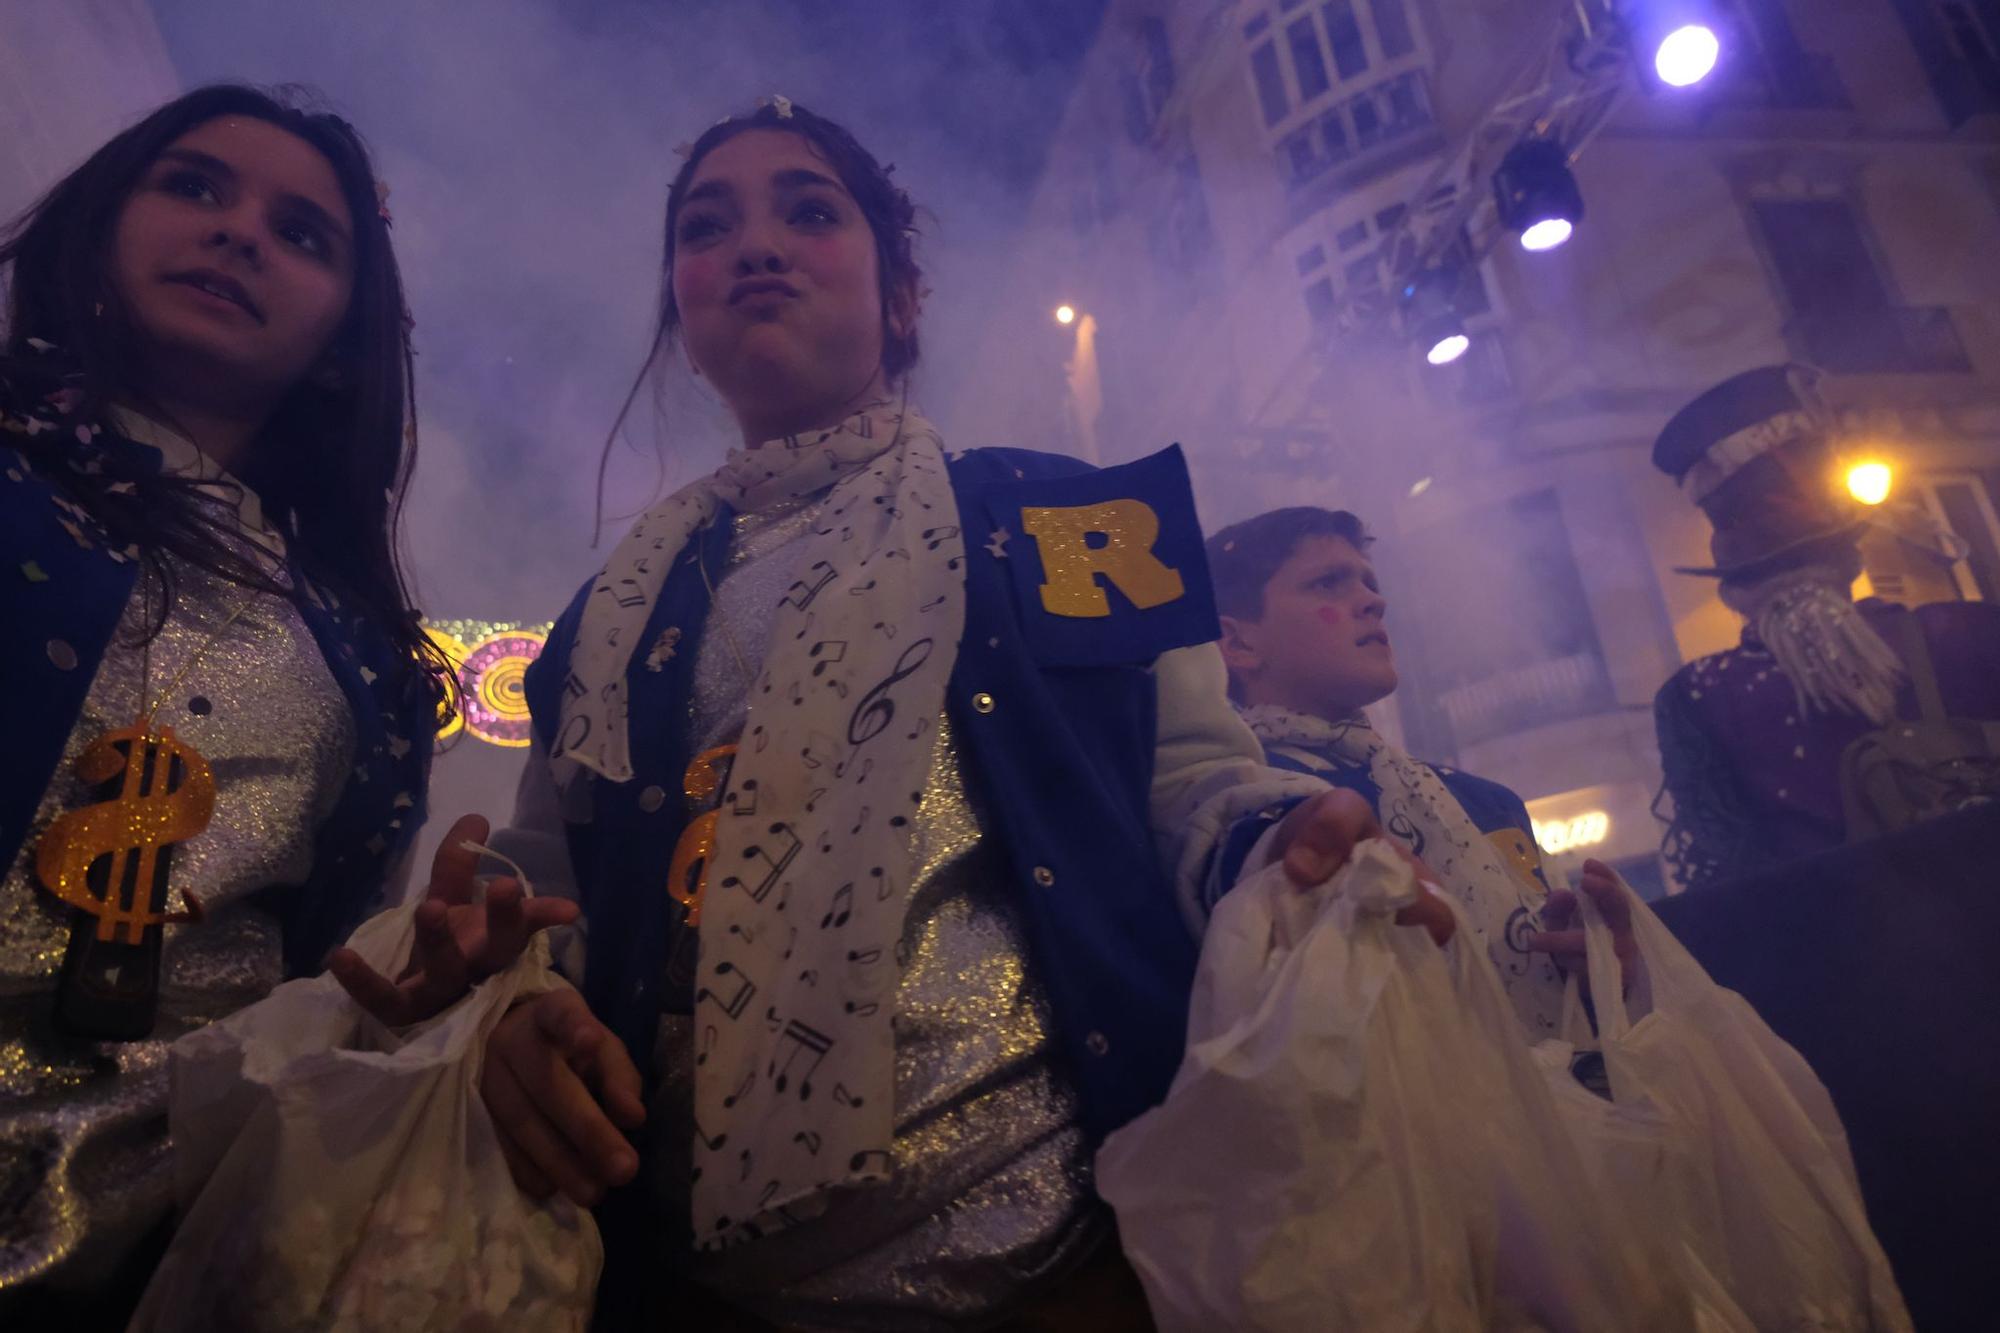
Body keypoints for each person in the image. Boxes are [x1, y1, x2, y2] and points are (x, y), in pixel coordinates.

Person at [327, 98, 1434, 1332]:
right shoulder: (609, 619)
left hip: (1072, 1267)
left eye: (808, 211)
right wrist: (510, 992)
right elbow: (552, 894)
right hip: (694, 1286)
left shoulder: (1067, 521)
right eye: (708, 226)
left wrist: (1282, 845)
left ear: (899, 291)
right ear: (681, 316)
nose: (756, 245)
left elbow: (1194, 783)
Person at [0, 84, 453, 1317]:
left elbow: (314, 984)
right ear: (99, 226)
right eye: (194, 187)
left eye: (303, 233)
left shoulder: (367, 663)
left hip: (183, 1269)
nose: (240, 231)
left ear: (343, 340)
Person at [1204, 504, 1637, 1040]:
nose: (1374, 600)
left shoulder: (1486, 803)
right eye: (1328, 584)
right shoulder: (1236, 806)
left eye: (1368, 582)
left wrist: (1608, 977)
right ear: (1239, 643)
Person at [1649, 365, 2000, 892]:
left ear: (1734, 576)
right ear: (1848, 548)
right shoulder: (1968, 634)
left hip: (1850, 968)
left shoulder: (1698, 700)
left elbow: (1734, 886)